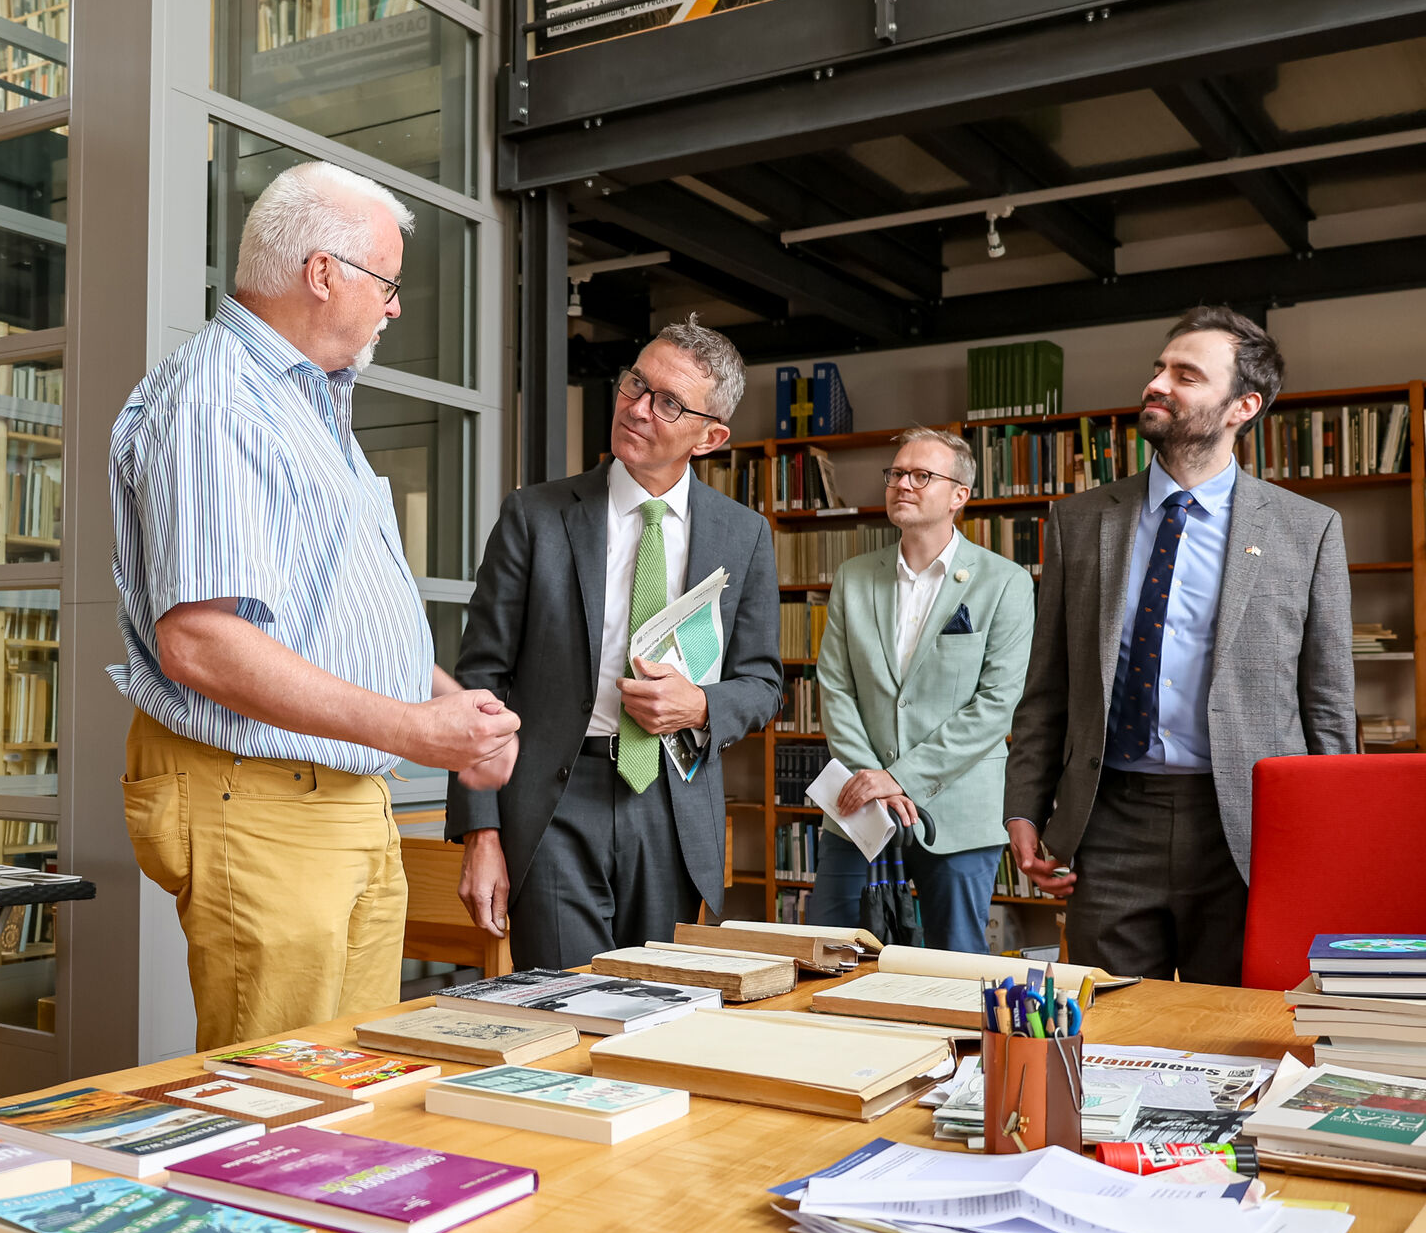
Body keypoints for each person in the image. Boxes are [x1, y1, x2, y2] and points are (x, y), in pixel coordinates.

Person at [110, 160, 519, 1051]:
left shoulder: (309, 401)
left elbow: (328, 610)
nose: (395, 307)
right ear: (323, 272)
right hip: (262, 802)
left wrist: (441, 700)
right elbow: (204, 641)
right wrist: (413, 732)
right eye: (389, 283)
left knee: (342, 1095)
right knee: (280, 1103)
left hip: (334, 799)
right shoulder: (220, 398)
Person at [1004, 306, 1355, 984]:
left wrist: (1330, 846)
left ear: (1241, 406)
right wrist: (1023, 804)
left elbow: (1329, 707)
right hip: (1108, 824)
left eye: (1185, 374)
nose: (1157, 383)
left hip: (1248, 831)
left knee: (1237, 1044)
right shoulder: (1079, 522)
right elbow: (1048, 683)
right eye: (1157, 368)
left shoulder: (1307, 530)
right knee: (1109, 1042)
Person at [446, 317, 783, 970]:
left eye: (668, 403)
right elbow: (480, 678)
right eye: (636, 384)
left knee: (663, 1018)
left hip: (674, 803)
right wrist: (480, 831)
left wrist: (701, 706)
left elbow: (763, 683)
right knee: (566, 1013)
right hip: (554, 804)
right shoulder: (535, 516)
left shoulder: (743, 536)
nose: (635, 408)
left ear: (710, 436)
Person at [807, 428, 1034, 952]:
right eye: (895, 474)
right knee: (828, 955)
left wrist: (899, 778)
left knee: (952, 970)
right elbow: (836, 687)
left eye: (921, 475)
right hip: (858, 807)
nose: (902, 483)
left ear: (959, 495)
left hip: (956, 812)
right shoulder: (854, 576)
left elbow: (997, 704)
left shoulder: (1004, 583)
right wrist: (874, 779)